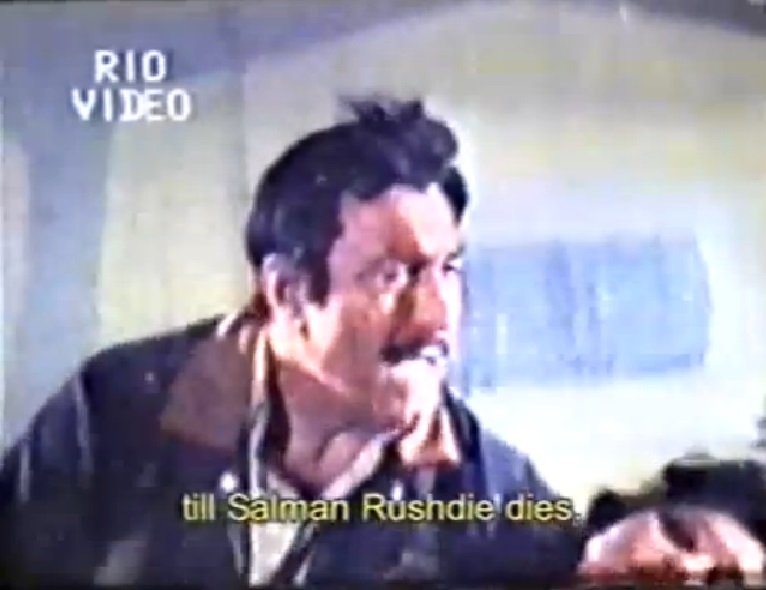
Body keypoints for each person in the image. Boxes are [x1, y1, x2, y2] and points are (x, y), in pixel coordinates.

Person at [0, 96, 762, 587]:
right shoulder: (117, 408)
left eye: (449, 269)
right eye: (393, 276)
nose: (436, 319)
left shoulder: (490, 494)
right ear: (287, 292)